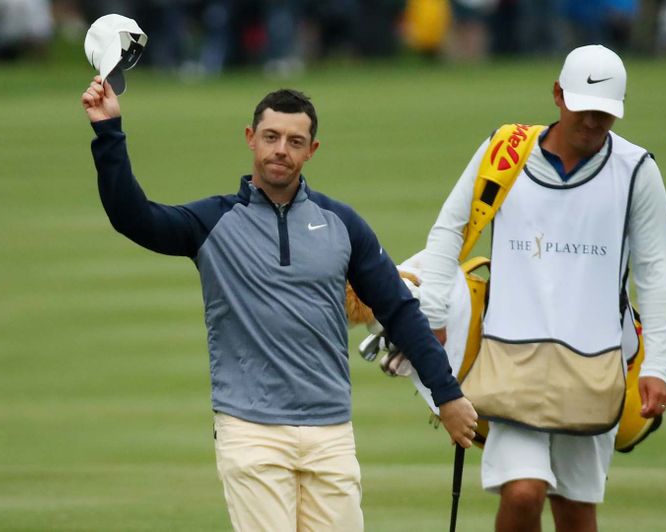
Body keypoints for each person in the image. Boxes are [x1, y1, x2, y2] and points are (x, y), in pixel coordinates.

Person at [80, 81, 479, 531]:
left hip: (331, 432)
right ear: (250, 138)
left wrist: (447, 395)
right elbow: (132, 217)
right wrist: (108, 130)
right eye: (271, 137)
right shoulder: (213, 222)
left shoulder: (342, 224)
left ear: (312, 150)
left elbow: (400, 309)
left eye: (295, 141)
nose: (281, 150)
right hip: (250, 431)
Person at [419, 44, 666, 531]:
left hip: (598, 362)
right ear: (558, 95)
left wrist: (658, 364)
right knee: (522, 492)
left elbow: (657, 271)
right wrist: (434, 317)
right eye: (585, 109)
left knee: (576, 509)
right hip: (509, 357)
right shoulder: (505, 151)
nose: (595, 122)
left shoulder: (637, 170)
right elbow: (449, 230)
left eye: (606, 114)